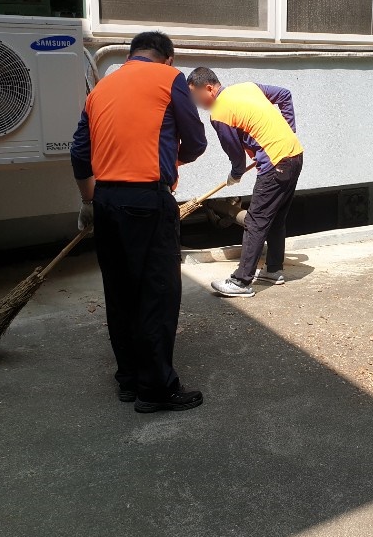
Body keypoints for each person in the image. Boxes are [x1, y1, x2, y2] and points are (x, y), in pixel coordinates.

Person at [71, 31, 207, 412]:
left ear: (130, 55)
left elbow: (79, 153)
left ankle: (129, 379)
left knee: (120, 292)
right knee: (156, 294)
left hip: (106, 202)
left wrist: (88, 200)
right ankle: (156, 389)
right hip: (147, 202)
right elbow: (196, 141)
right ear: (168, 58)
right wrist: (170, 161)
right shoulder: (169, 78)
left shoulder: (101, 89)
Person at [186, 67, 304, 298]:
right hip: (294, 155)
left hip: (276, 163)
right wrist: (288, 132)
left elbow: (235, 153)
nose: (196, 103)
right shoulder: (247, 88)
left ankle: (241, 281)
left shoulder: (219, 113)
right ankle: (273, 270)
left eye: (195, 96)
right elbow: (285, 94)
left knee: (256, 221)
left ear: (208, 88)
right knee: (275, 218)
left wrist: (236, 174)